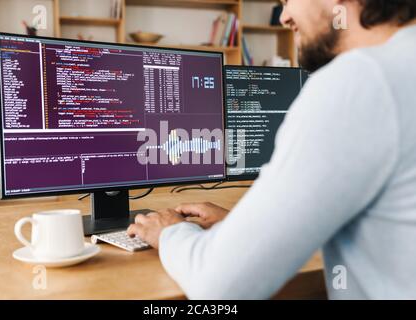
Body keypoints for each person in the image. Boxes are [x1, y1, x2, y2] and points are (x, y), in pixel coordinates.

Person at [127, 0, 416, 299]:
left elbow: (221, 287)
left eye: (288, 1)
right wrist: (257, 228)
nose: (285, 17)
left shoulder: (357, 80)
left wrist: (170, 232)